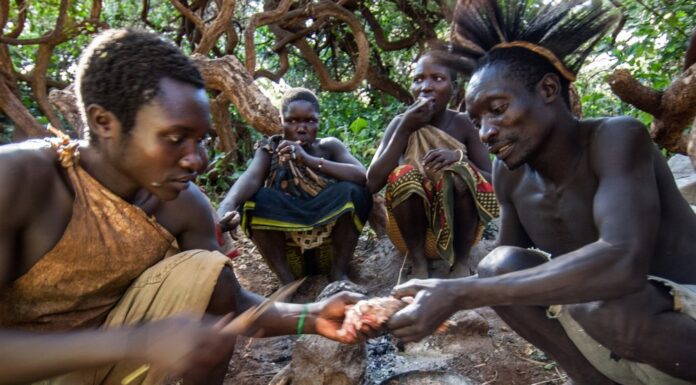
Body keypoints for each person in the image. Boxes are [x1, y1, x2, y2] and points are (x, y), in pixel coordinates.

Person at [0, 29, 365, 385]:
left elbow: (230, 303)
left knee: (207, 271)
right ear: (104, 122)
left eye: (201, 140)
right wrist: (134, 343)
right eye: (175, 138)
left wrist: (313, 316)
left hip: (105, 362)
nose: (198, 160)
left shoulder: (183, 205)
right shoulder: (21, 179)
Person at [386, 1, 696, 384]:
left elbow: (621, 263)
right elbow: (506, 283)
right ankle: (589, 379)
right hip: (616, 335)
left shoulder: (616, 138)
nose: (486, 132)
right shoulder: (510, 173)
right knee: (498, 266)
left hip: (681, 325)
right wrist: (459, 292)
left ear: (548, 90)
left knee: (600, 304)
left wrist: (459, 293)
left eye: (497, 109)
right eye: (477, 120)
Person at [218, 88, 371, 285]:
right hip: (289, 249)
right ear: (281, 120)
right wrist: (226, 205)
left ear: (318, 121)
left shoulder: (329, 146)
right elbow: (251, 177)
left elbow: (363, 176)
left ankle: (338, 274)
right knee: (253, 202)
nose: (301, 128)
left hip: (330, 241)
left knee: (356, 192)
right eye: (292, 121)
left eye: (309, 121)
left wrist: (308, 160)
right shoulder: (269, 149)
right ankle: (287, 283)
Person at [366, 51, 498, 279]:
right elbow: (371, 183)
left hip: (461, 229)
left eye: (437, 78)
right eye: (418, 79)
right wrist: (405, 128)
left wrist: (460, 159)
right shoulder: (401, 124)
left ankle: (461, 261)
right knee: (402, 174)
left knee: (460, 173)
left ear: (455, 89)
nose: (425, 87)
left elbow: (493, 178)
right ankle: (419, 264)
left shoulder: (464, 124)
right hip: (412, 231)